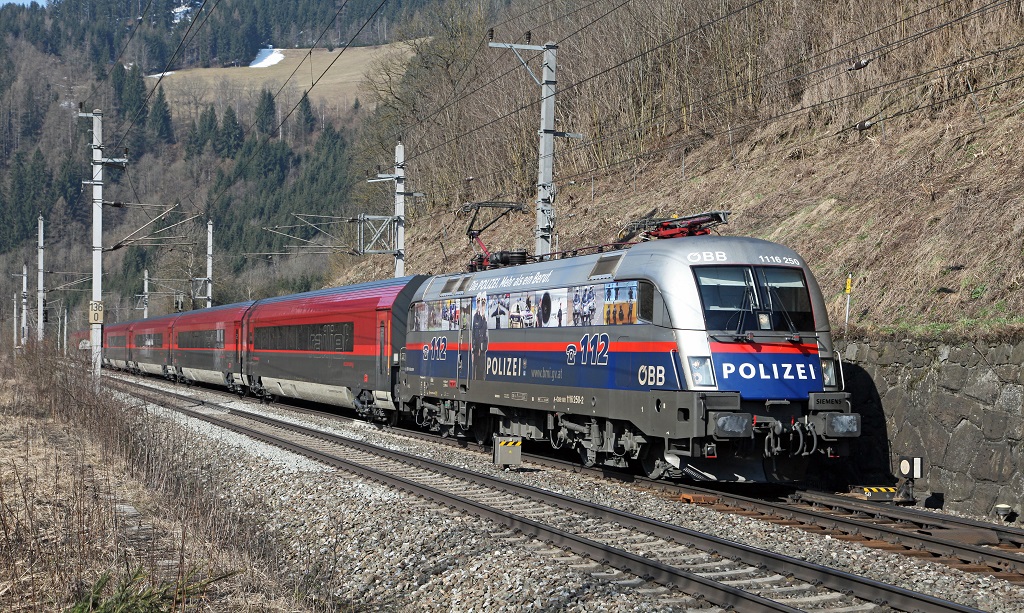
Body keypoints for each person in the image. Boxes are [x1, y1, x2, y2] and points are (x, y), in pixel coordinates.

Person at [472, 292, 488, 379]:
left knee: (482, 369)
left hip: (482, 350)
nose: (480, 305)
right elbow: (474, 333)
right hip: (476, 349)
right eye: (478, 303)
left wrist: (483, 347)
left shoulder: (486, 318)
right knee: (475, 368)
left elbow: (486, 335)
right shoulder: (475, 317)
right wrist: (474, 348)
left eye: (482, 304)